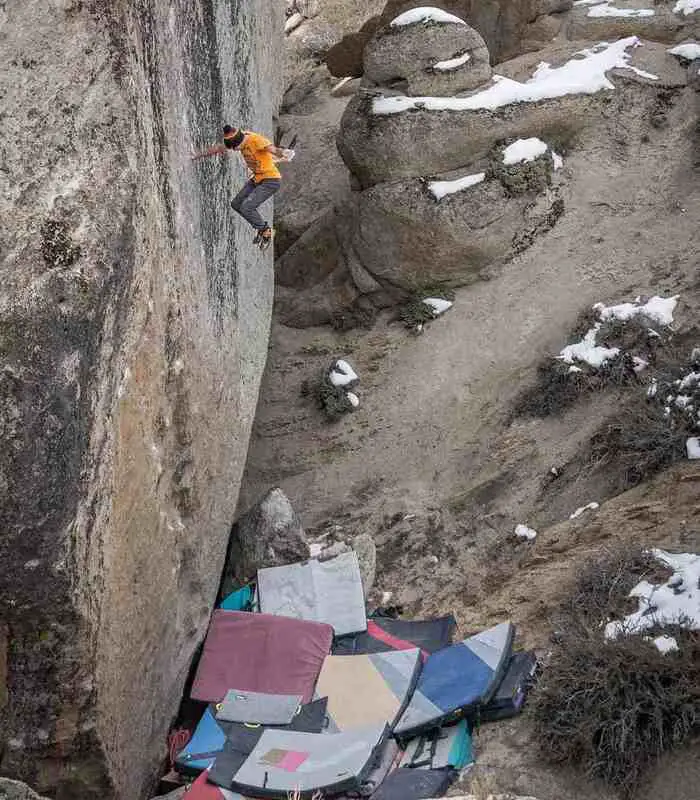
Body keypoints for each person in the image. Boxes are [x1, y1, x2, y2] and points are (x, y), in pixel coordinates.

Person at [191, 125, 294, 246]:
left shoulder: (255, 140)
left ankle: (266, 231)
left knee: (246, 207)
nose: (235, 150)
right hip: (257, 178)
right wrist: (198, 155)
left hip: (271, 180)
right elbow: (219, 148)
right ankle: (261, 227)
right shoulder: (238, 138)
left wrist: (284, 152)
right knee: (236, 204)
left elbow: (273, 149)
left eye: (235, 148)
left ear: (238, 142)